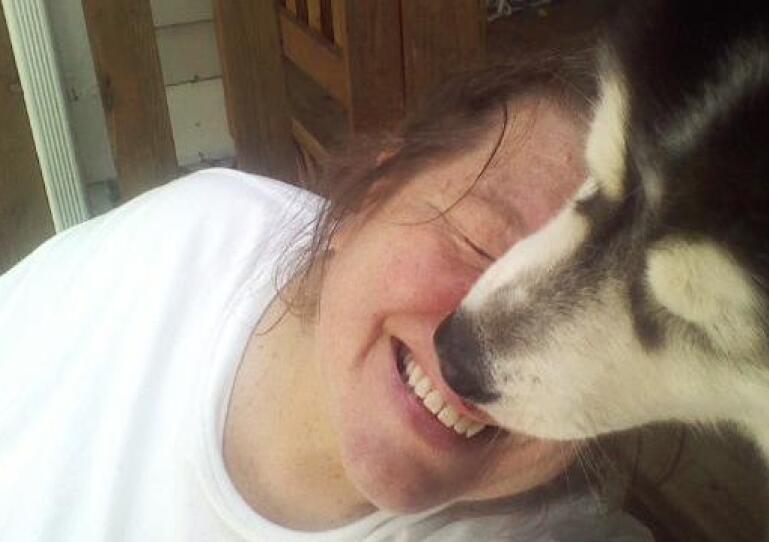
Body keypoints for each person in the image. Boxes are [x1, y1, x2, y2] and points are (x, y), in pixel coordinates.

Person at [0, 54, 653, 541]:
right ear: (367, 199)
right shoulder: (176, 243)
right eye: (481, 247)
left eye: (597, 338)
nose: (491, 367)